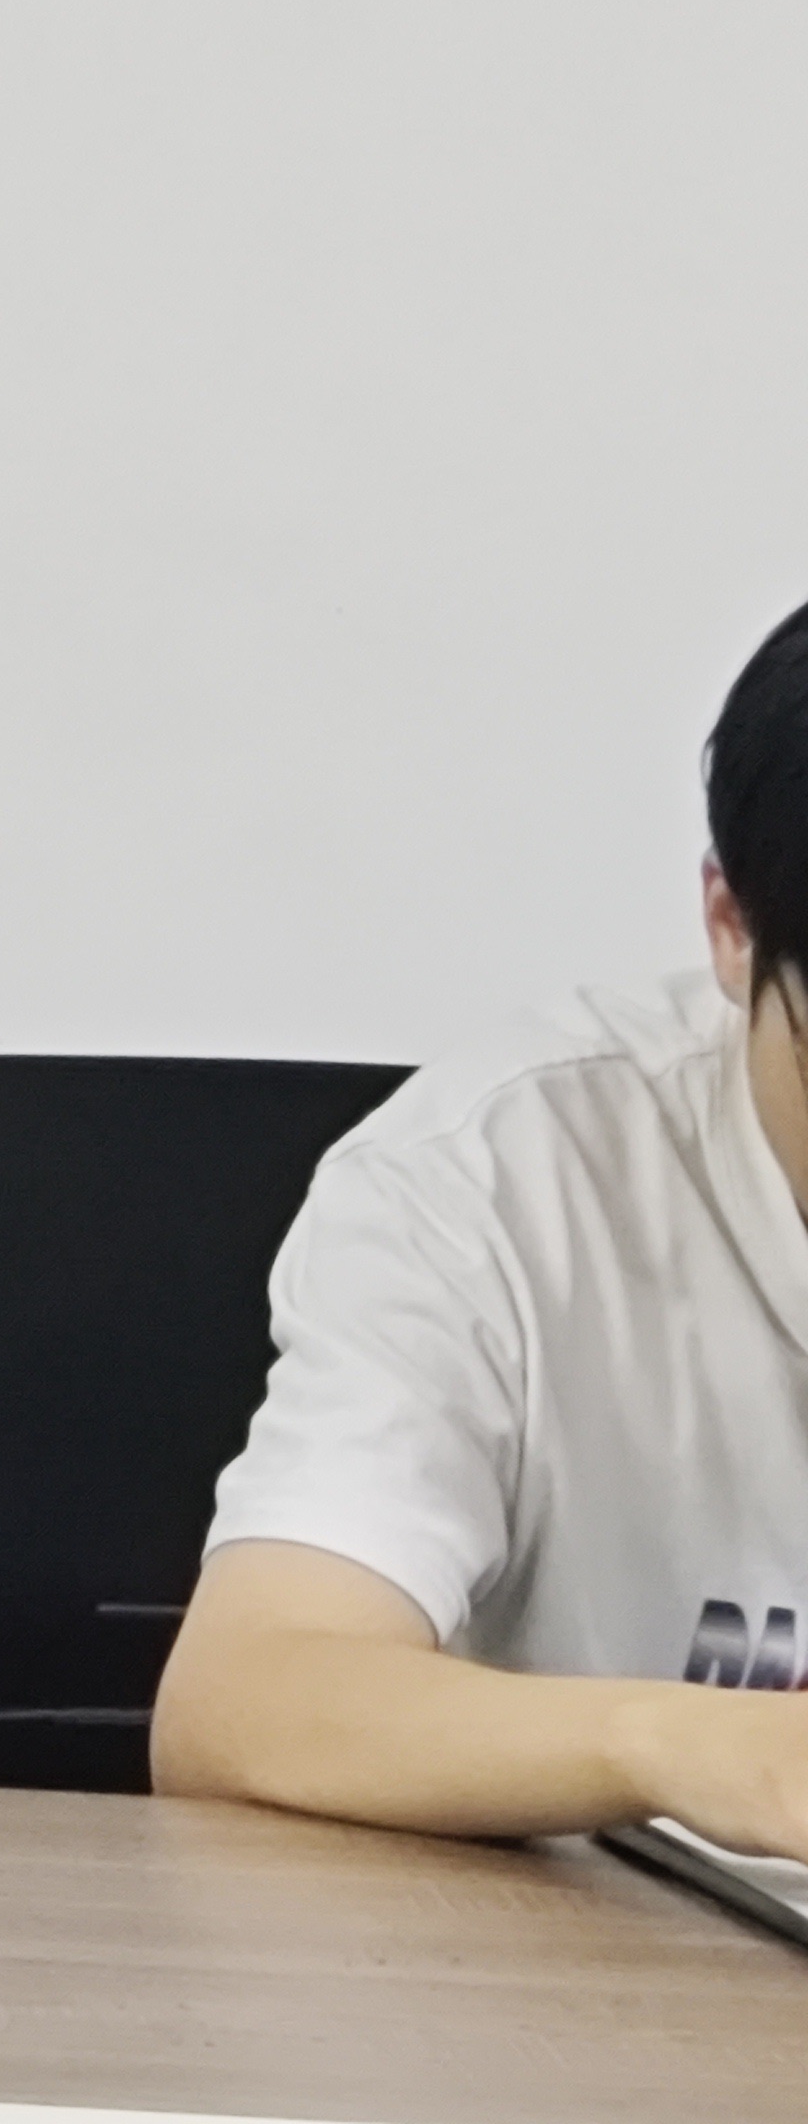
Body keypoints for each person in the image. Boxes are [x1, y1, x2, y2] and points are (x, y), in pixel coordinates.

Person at [155, 597, 808, 1861]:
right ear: (732, 929)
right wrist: (689, 1749)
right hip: (581, 1967)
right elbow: (240, 1701)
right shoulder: (499, 1179)